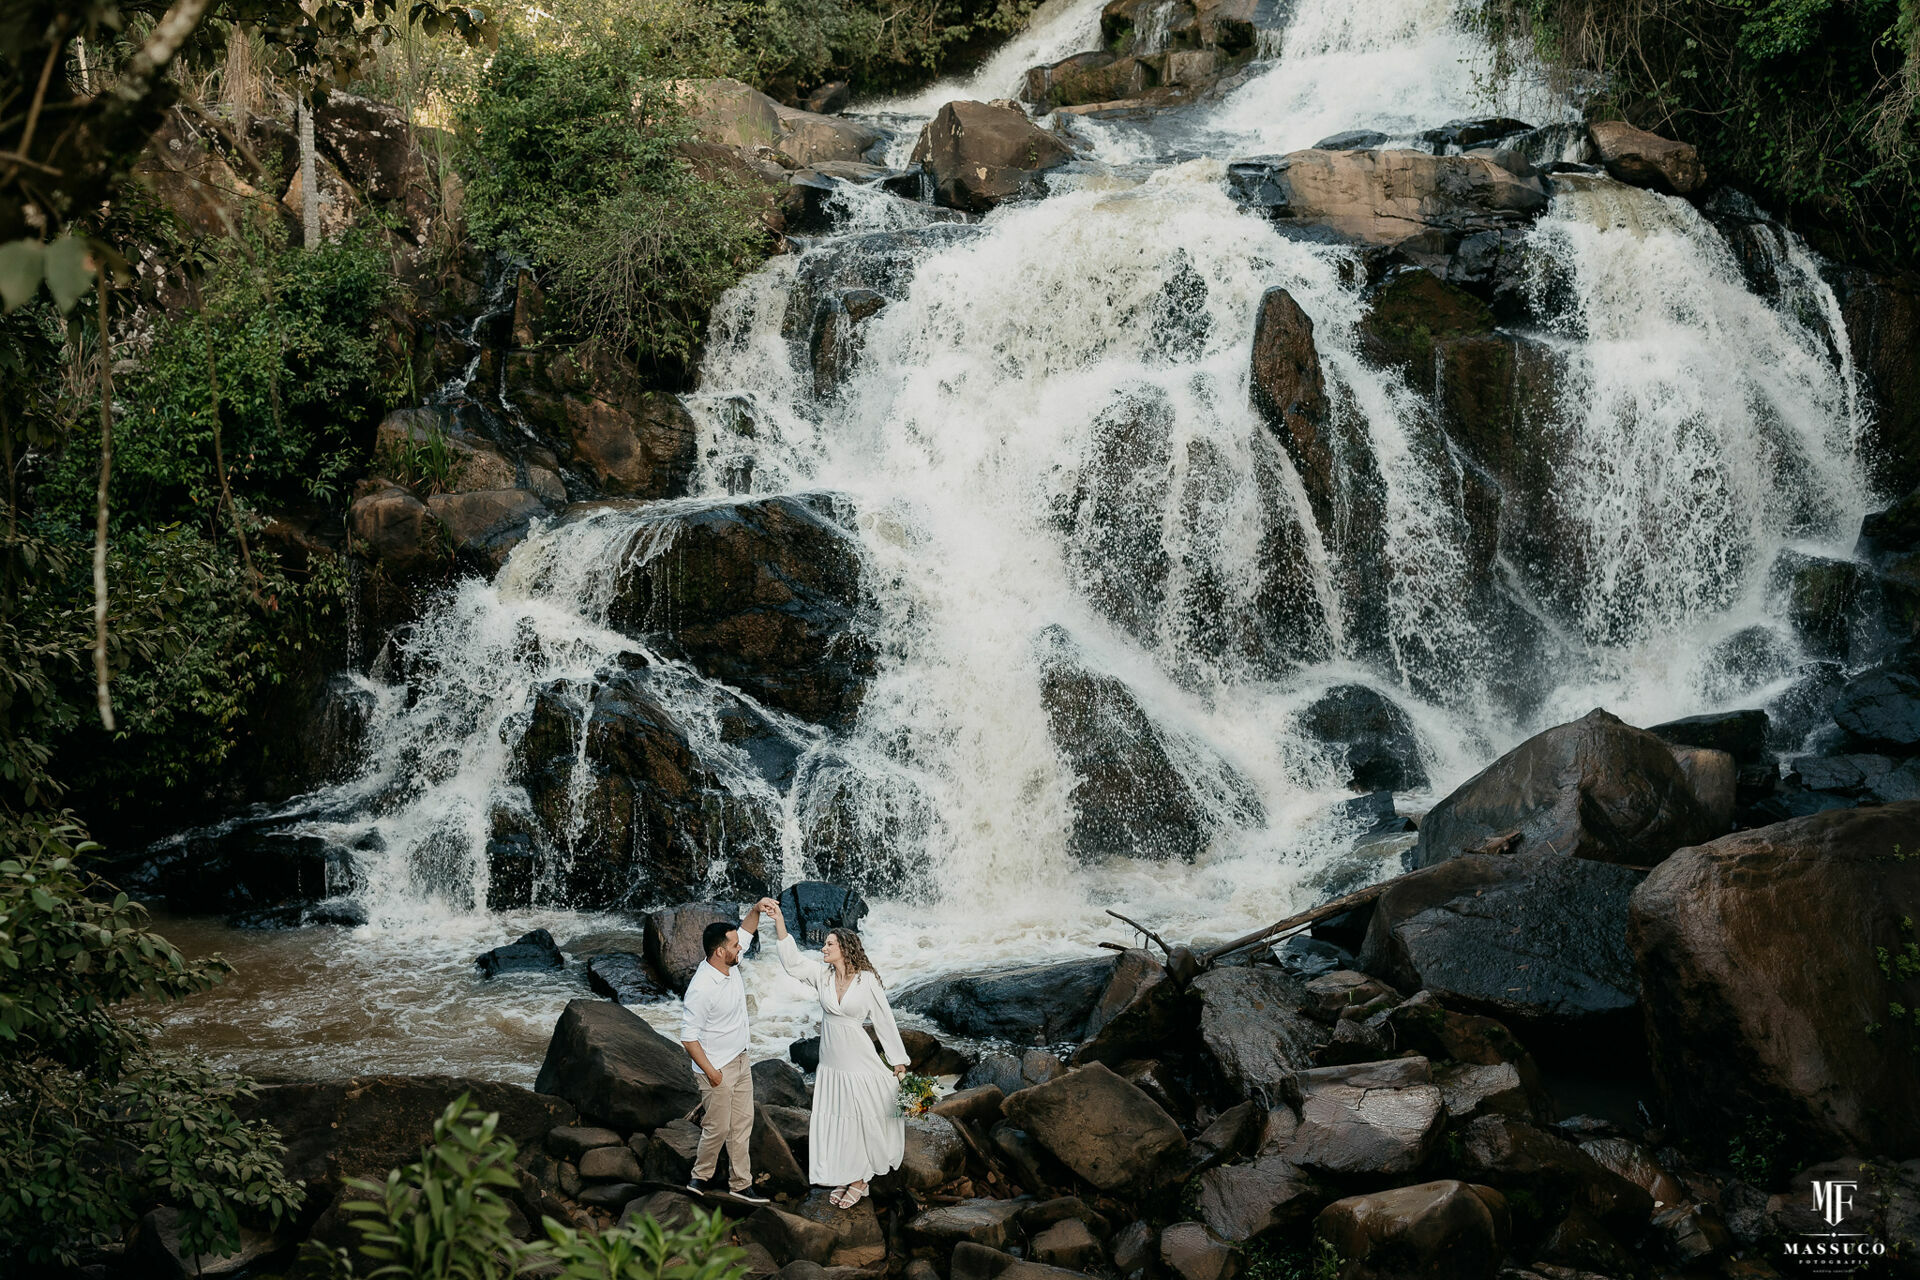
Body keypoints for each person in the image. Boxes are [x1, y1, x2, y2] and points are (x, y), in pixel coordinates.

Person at [757, 896, 910, 1209]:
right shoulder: (822, 976)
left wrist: (898, 1062)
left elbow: (883, 1019)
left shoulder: (867, 981)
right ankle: (849, 1172)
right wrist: (779, 921)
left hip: (858, 1057)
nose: (823, 948)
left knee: (864, 1113)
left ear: (844, 948)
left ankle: (860, 1179)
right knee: (840, 1117)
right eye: (824, 944)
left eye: (829, 944)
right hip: (832, 1060)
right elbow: (793, 963)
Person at [679, 904, 770, 1203]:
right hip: (716, 1068)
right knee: (717, 1128)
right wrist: (713, 1073)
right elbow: (689, 1039)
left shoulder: (729, 962)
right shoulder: (702, 988)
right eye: (734, 945)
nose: (740, 947)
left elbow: (747, 929)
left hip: (740, 1060)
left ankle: (740, 1184)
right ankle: (700, 1177)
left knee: (742, 1124)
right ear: (720, 952)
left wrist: (757, 908)